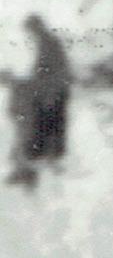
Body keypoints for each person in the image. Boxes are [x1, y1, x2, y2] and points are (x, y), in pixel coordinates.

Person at [9, 13, 66, 189]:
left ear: (37, 27)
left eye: (31, 30)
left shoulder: (49, 43)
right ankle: (29, 170)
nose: (30, 34)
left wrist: (48, 93)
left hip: (51, 94)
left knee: (42, 133)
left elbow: (54, 72)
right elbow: (42, 71)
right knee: (37, 133)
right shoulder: (45, 43)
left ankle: (36, 173)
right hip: (45, 93)